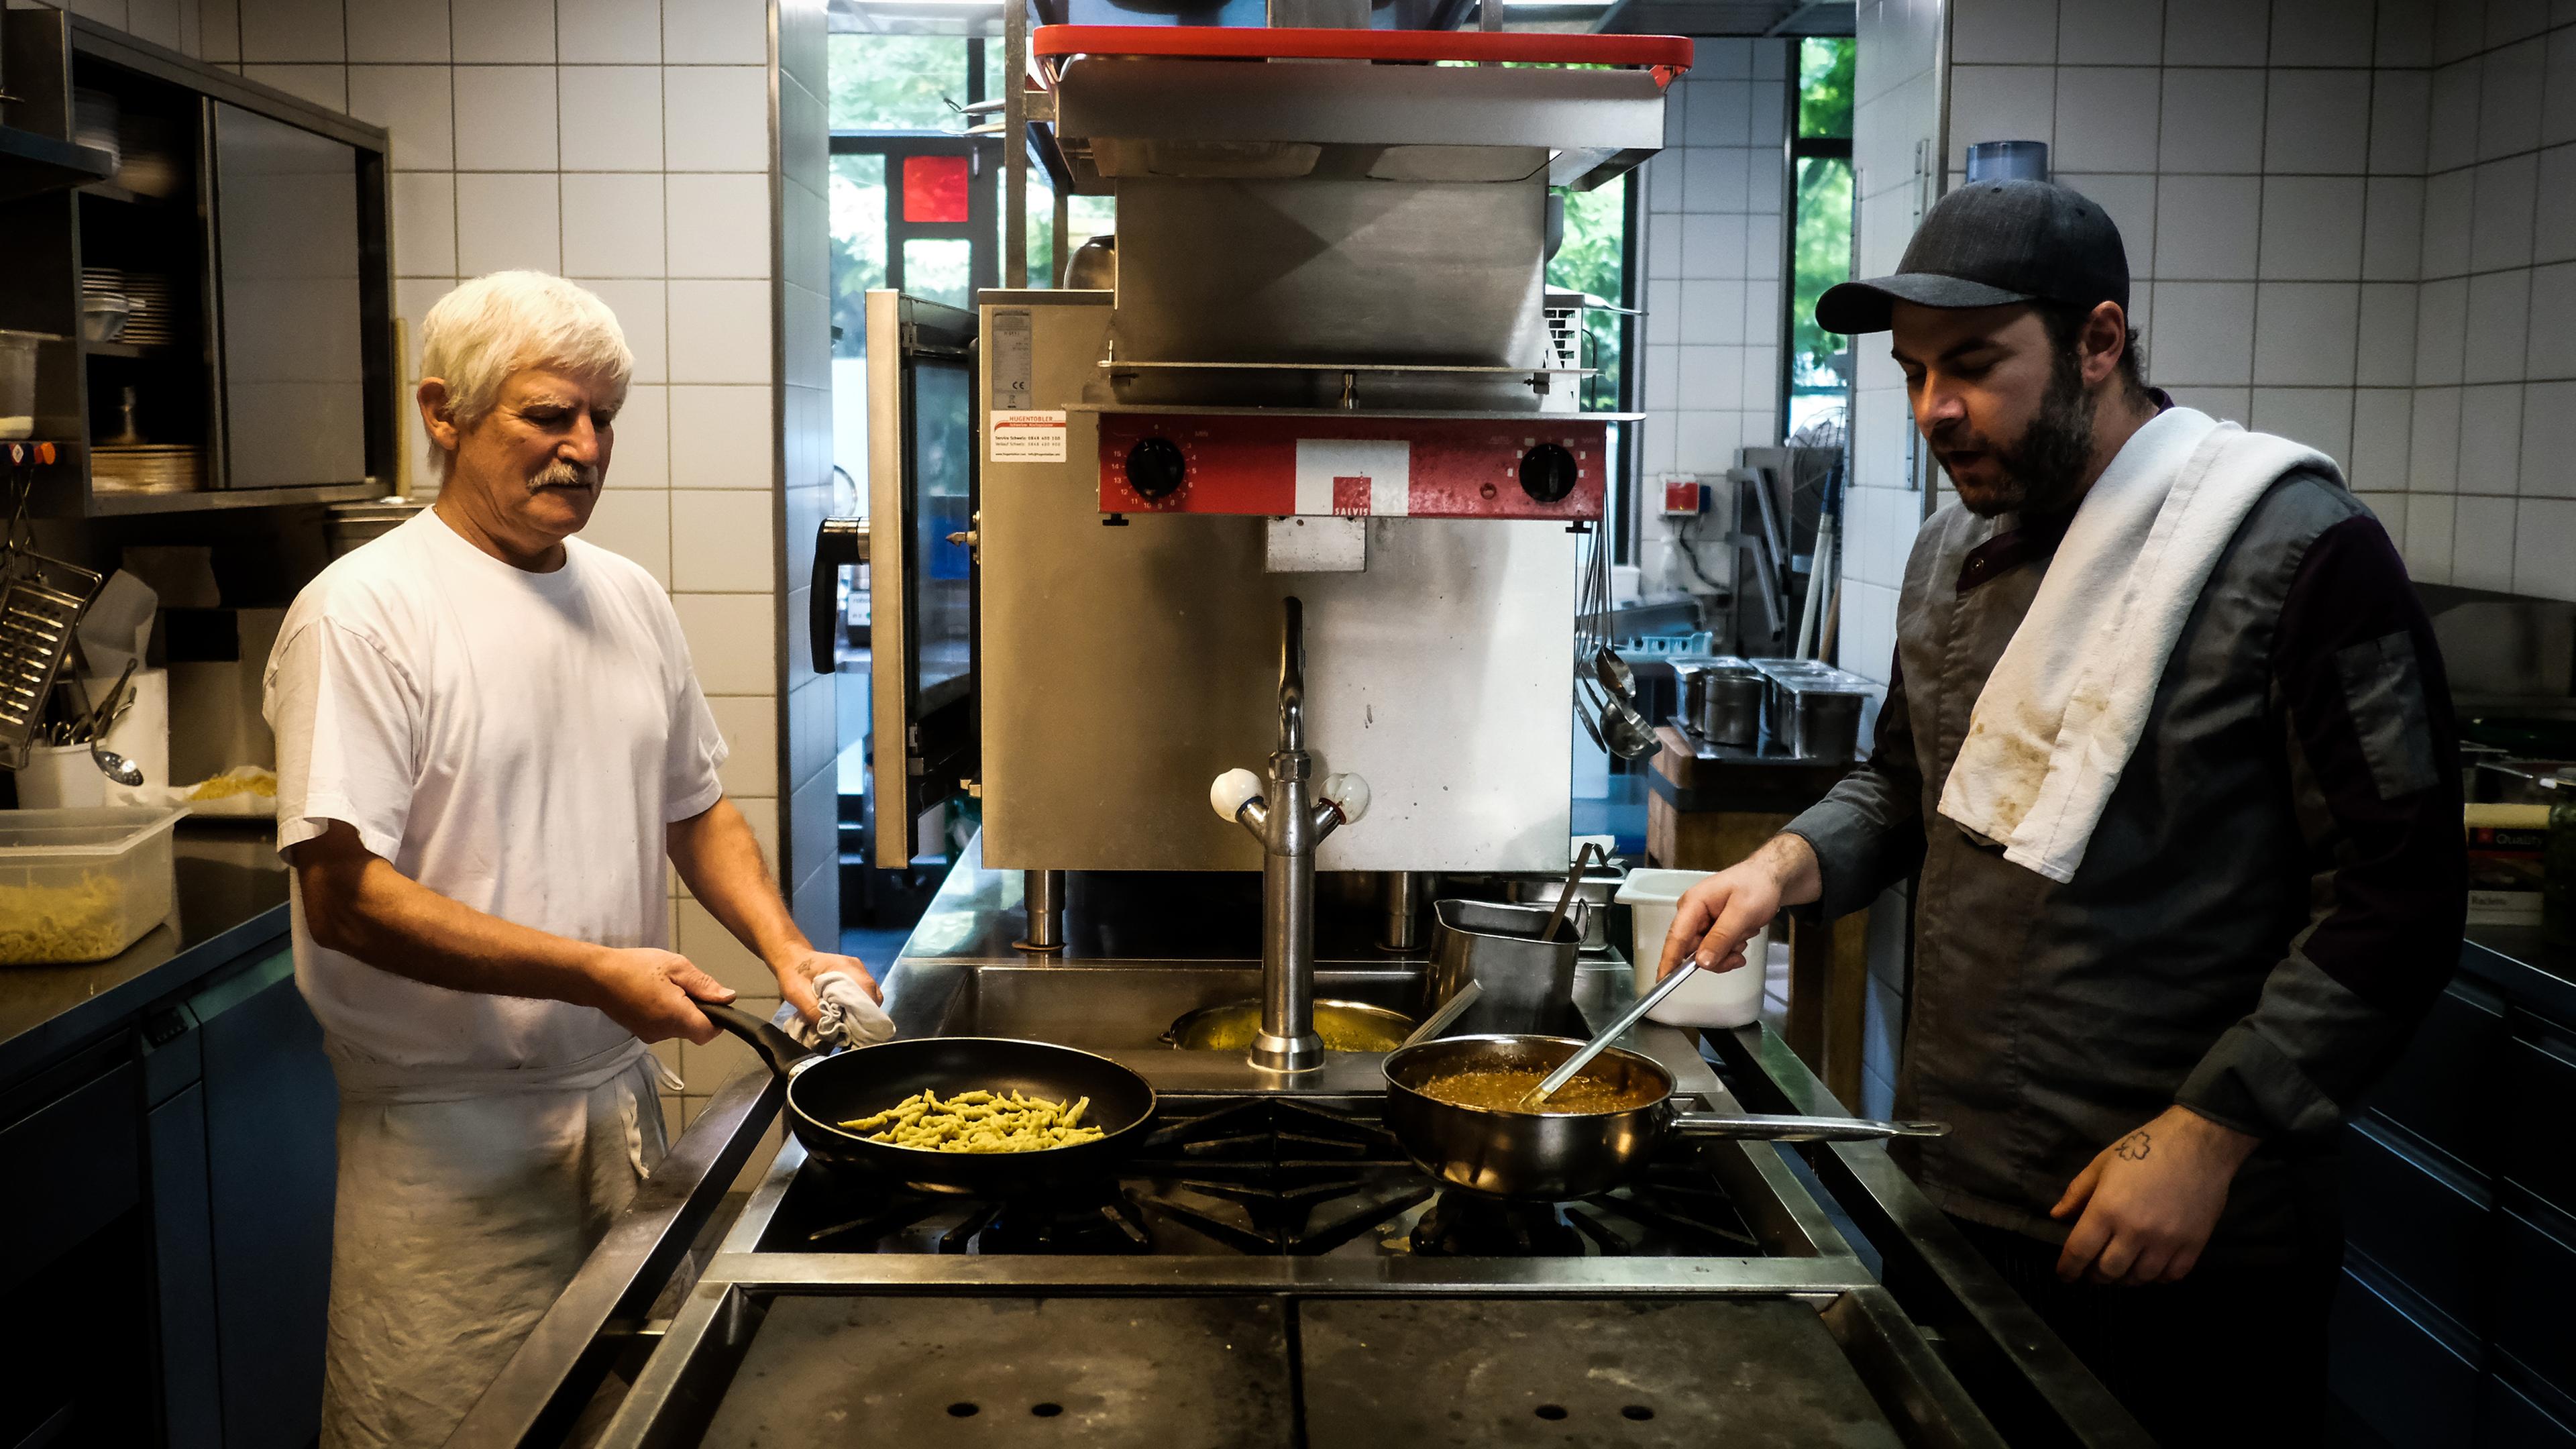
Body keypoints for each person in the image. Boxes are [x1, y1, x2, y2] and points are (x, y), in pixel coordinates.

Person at [1654, 182, 2464, 1443]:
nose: (1937, 410)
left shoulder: (2296, 554)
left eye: (1975, 367)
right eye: (1915, 374)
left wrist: (2212, 1133)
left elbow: (2397, 893)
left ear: (2099, 341)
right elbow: (1910, 787)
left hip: (2179, 1233)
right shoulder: (1947, 554)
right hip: (1959, 1186)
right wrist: (1784, 865)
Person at [263, 271, 878, 1449]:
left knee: (624, 1421)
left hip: (621, 1119)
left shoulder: (628, 599)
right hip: (450, 1150)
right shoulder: (364, 615)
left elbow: (696, 810)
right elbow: (344, 900)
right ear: (445, 412)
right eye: (550, 416)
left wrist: (790, 952)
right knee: (454, 1429)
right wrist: (595, 973)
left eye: (604, 419)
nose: (586, 448)